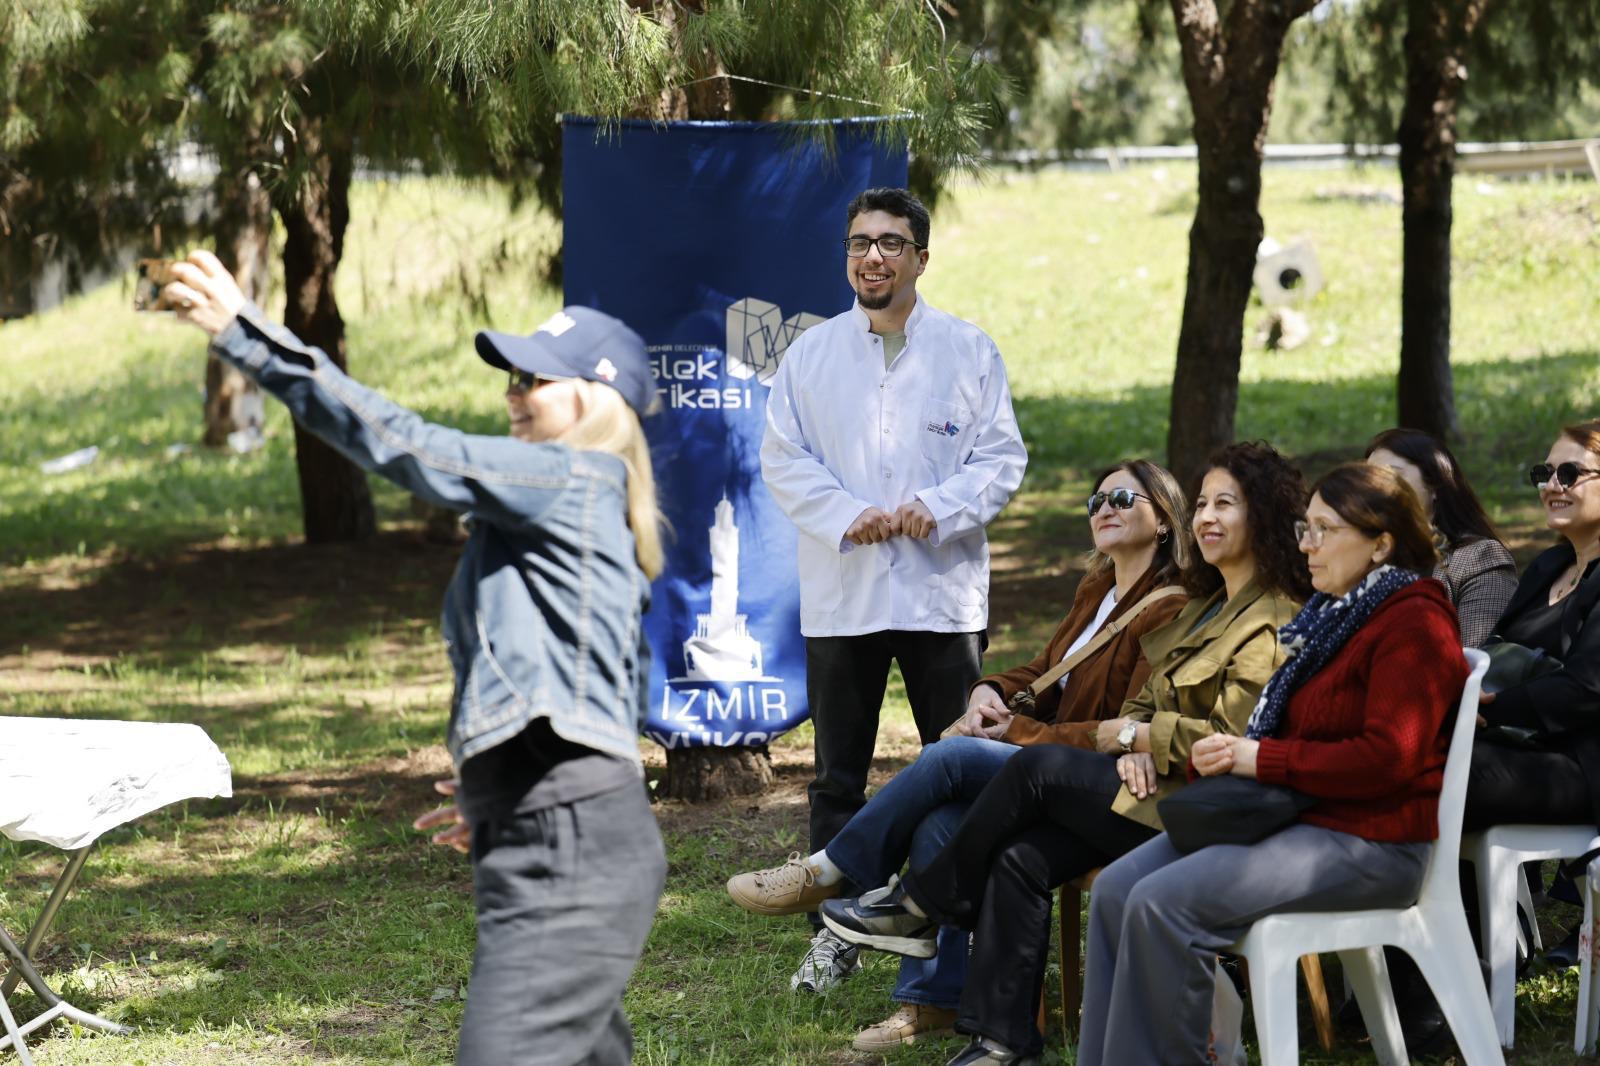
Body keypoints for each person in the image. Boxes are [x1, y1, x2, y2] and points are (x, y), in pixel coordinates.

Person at [163, 252, 667, 1066]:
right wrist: (500, 786)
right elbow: (597, 686)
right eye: (507, 379)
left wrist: (246, 334)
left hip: (571, 850)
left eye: (532, 379)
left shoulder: (572, 481)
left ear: (592, 397)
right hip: (551, 838)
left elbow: (410, 446)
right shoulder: (574, 510)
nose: (512, 394)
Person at [817, 441, 1311, 1066]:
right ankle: (1004, 1042)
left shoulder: (1269, 619)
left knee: (1028, 768)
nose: (1207, 517)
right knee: (1021, 857)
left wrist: (1132, 739)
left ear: (1261, 516)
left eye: (1225, 504)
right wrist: (1132, 735)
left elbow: (1224, 738)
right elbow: (1147, 702)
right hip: (1142, 791)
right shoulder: (1208, 607)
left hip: (1196, 807)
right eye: (1204, 503)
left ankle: (920, 901)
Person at [725, 459, 1193, 1052]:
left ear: (1163, 519)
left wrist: (1015, 731)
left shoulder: (1168, 607)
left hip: (1098, 779)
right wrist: (987, 691)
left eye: (1124, 498)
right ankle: (934, 1003)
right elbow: (1044, 673)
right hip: (1046, 764)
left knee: (948, 761)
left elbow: (1126, 727)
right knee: (941, 821)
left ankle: (830, 872)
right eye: (1096, 500)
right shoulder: (1097, 591)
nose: (1105, 508)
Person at [1076, 463, 1469, 1066]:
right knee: (1118, 891)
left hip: (1372, 841)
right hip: (1299, 819)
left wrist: (1260, 758)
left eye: (1324, 531)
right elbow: (1295, 729)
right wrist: (1233, 751)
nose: (1305, 544)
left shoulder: (1413, 619)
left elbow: (1388, 759)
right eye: (1303, 528)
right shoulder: (1335, 614)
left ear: (1380, 543)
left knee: (1163, 904)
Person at [759, 186, 1028, 991]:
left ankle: (949, 929)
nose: (871, 256)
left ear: (919, 257)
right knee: (837, 775)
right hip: (843, 596)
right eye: (858, 243)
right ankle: (832, 935)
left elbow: (1001, 460)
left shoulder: (967, 350)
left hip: (939, 598)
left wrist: (934, 508)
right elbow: (783, 459)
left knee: (957, 759)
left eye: (889, 243)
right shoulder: (811, 355)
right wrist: (848, 515)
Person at [1366, 427, 1516, 647]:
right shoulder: (1360, 559)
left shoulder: (1478, 559)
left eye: (1391, 476)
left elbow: (1478, 661)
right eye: (1367, 480)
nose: (1374, 490)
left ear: (1435, 485)